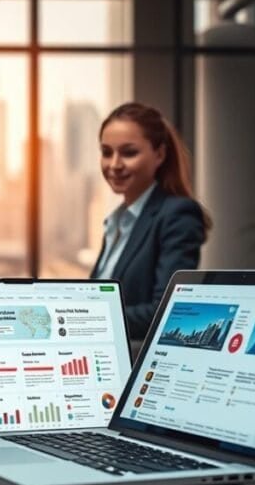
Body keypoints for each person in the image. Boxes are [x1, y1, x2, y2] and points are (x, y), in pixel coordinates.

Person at [90, 102, 211, 341]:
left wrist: (86, 320)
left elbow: (166, 310)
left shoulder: (177, 215)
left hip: (136, 365)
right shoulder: (117, 222)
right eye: (106, 152)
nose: (114, 164)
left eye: (129, 152)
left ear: (160, 154)